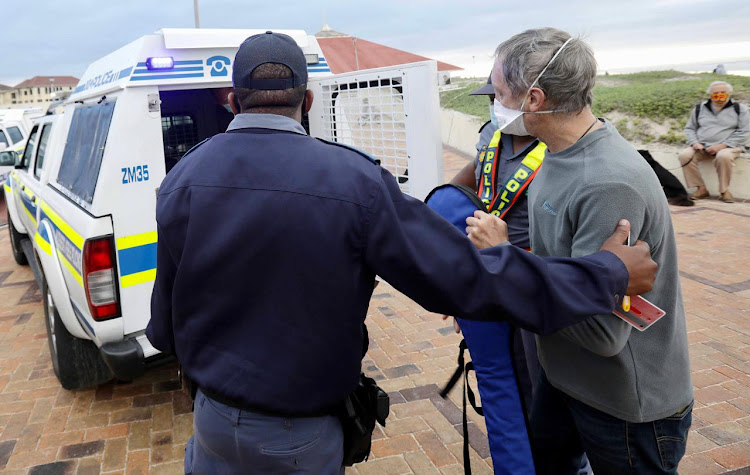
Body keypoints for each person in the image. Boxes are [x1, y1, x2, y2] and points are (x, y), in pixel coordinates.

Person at [146, 31, 657, 474]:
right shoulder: (355, 183)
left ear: (232, 102)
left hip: (210, 424)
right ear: (309, 102)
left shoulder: (181, 180)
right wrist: (605, 274)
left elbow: (164, 327)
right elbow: (468, 280)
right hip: (299, 436)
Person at [487, 28, 693, 474]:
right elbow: (564, 274)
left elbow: (602, 333)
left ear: (534, 99)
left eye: (500, 92)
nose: (495, 103)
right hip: (565, 381)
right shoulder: (556, 152)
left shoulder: (605, 183)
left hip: (623, 403)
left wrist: (507, 266)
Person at [451, 75, 544, 410]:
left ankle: (562, 460)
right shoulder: (491, 135)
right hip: (488, 270)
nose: (494, 106)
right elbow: (465, 184)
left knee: (540, 379)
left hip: (532, 276)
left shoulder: (556, 145)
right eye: (490, 99)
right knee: (503, 374)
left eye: (500, 97)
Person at [678, 80, 749, 203]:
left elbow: (746, 131)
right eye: (715, 93)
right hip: (703, 146)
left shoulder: (740, 109)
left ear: (729, 93)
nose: (719, 95)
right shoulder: (699, 108)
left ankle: (724, 191)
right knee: (684, 155)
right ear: (710, 94)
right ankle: (701, 189)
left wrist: (722, 145)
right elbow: (690, 128)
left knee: (724, 156)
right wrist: (695, 142)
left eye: (723, 92)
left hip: (729, 146)